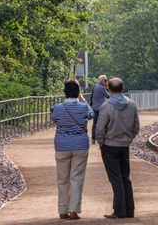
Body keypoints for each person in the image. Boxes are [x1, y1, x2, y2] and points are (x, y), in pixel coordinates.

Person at [95, 78, 140, 219]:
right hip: (124, 146)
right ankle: (129, 211)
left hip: (109, 146)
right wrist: (128, 139)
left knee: (115, 178)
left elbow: (100, 128)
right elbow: (136, 126)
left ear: (108, 89)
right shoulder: (132, 105)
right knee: (125, 178)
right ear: (123, 88)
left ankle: (119, 211)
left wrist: (101, 142)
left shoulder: (106, 106)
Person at [51, 79, 94, 220]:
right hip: (80, 146)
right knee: (77, 178)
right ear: (78, 92)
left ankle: (62, 210)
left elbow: (55, 120)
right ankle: (74, 210)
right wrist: (82, 99)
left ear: (64, 92)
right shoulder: (83, 106)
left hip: (62, 145)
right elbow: (91, 114)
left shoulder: (57, 108)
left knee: (62, 178)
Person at [91, 75, 110, 144]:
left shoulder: (95, 87)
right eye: (105, 80)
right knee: (103, 123)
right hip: (101, 108)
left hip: (94, 107)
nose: (106, 82)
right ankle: (102, 138)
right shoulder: (102, 88)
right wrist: (107, 88)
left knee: (95, 123)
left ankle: (93, 138)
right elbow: (108, 96)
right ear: (102, 81)